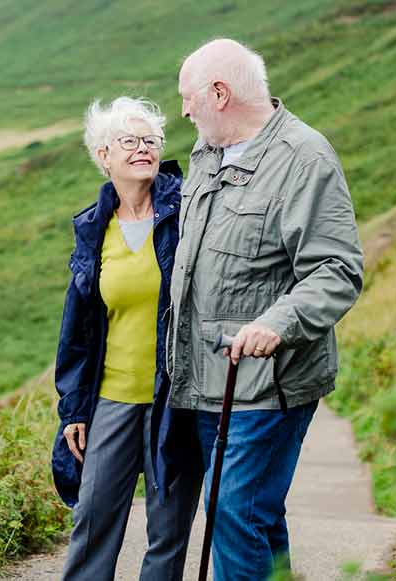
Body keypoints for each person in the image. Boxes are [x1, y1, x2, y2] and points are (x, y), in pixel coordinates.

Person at [164, 38, 365, 579]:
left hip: (266, 385)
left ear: (220, 93)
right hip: (206, 382)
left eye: (189, 97)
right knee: (251, 513)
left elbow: (337, 270)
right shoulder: (207, 154)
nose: (184, 110)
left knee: (233, 514)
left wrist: (277, 322)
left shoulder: (304, 159)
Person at [52, 96, 203, 581]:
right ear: (104, 155)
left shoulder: (188, 213)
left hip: (175, 400)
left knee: (168, 530)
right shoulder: (95, 229)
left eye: (151, 141)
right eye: (129, 141)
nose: (144, 149)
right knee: (93, 521)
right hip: (111, 400)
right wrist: (74, 410)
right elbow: (78, 327)